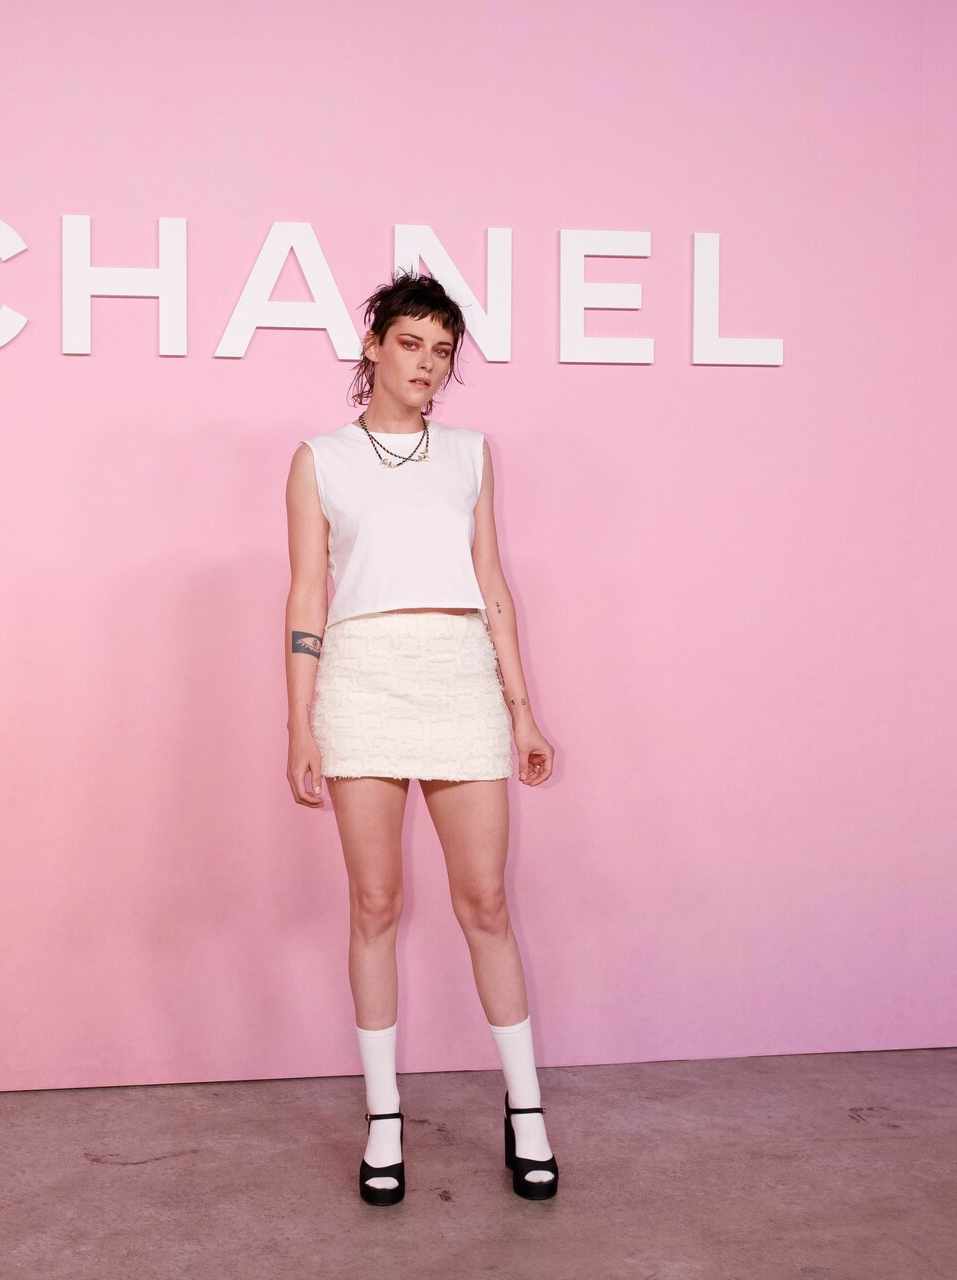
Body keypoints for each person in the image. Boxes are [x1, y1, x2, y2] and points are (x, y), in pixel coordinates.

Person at [283, 270, 561, 1205]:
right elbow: (308, 594)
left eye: (442, 351)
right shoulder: (319, 459)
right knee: (375, 903)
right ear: (373, 347)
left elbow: (493, 583)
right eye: (411, 344)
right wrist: (299, 721)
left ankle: (527, 1111)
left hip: (457, 675)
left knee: (485, 900)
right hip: (361, 679)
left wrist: (521, 707)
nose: (428, 364)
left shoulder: (472, 454)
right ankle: (383, 1120)